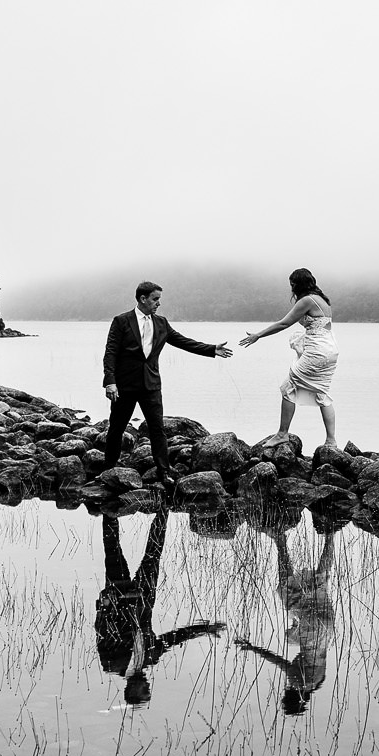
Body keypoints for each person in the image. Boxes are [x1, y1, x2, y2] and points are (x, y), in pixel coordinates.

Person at [103, 281, 232, 480]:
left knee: (157, 429)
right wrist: (110, 381)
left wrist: (211, 349)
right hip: (124, 386)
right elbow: (110, 352)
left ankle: (164, 472)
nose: (158, 304)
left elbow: (182, 341)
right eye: (155, 299)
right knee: (116, 428)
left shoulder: (161, 323)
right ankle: (109, 469)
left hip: (151, 385)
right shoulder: (121, 321)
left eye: (159, 300)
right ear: (142, 298)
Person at [94, 511, 224, 705]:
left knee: (113, 551)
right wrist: (204, 629)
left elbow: (102, 632)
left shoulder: (112, 664)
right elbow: (175, 637)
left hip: (118, 596)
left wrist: (104, 606)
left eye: (144, 691)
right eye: (148, 691)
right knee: (154, 554)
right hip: (144, 596)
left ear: (130, 690)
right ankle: (163, 510)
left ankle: (110, 509)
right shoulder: (150, 658)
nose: (148, 687)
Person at [234, 529, 336, 715]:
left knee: (321, 581)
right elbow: (279, 661)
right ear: (290, 696)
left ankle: (331, 535)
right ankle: (280, 541)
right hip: (311, 632)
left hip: (327, 630)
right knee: (285, 588)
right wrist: (252, 648)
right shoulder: (299, 682)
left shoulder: (318, 681)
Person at [238, 268, 339, 448]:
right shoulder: (322, 300)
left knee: (288, 388)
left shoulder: (307, 300)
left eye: (292, 284)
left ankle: (282, 434)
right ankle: (331, 441)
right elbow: (319, 328)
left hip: (317, 352)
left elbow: (284, 323)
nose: (291, 288)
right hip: (330, 351)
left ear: (297, 284)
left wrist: (258, 335)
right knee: (321, 393)